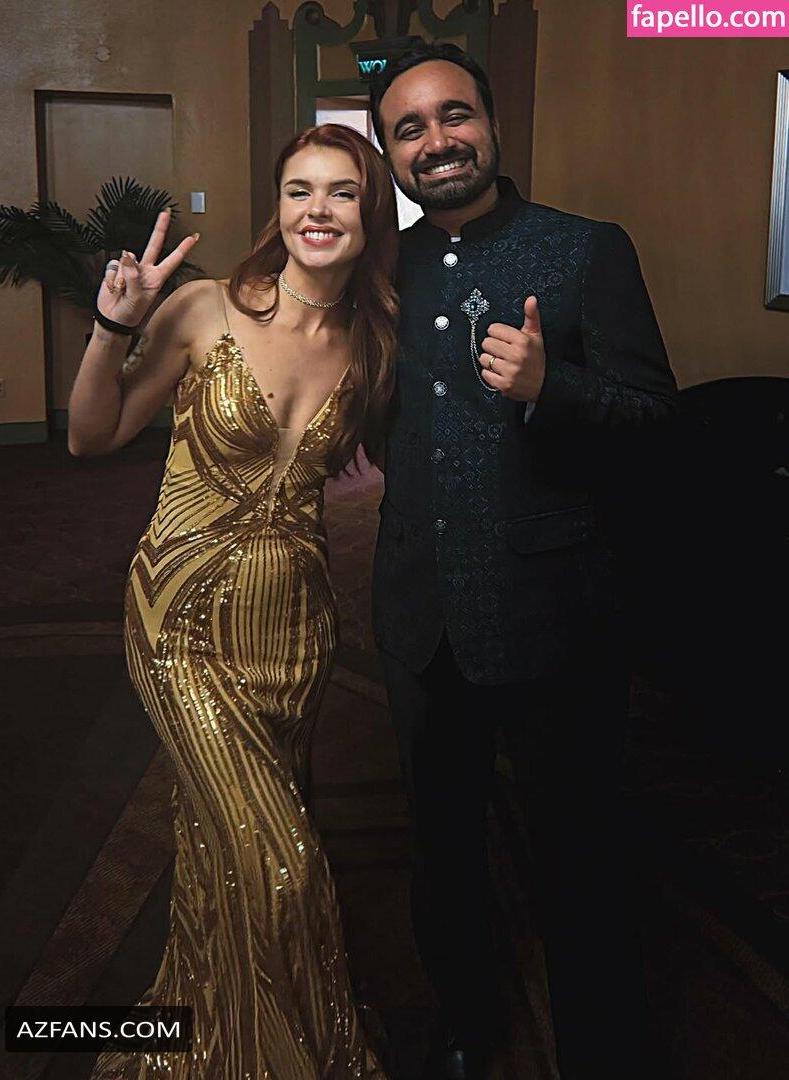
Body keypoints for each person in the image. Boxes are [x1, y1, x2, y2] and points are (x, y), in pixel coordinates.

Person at [369, 42, 678, 1080]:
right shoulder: (380, 269)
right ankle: (467, 1023)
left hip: (555, 613)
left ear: (492, 124)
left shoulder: (583, 249)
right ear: (390, 154)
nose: (436, 141)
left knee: (581, 855)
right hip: (419, 616)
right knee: (443, 851)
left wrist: (557, 388)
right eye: (409, 128)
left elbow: (655, 421)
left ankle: (602, 1047)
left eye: (453, 115)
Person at [68, 123, 398, 1079]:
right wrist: (113, 327)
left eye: (341, 192)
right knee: (277, 864)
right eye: (299, 190)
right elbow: (92, 436)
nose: (317, 210)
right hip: (179, 624)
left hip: (295, 630)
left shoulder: (376, 343)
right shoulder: (205, 307)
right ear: (277, 207)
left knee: (218, 846)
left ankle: (213, 1038)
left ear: (369, 213)